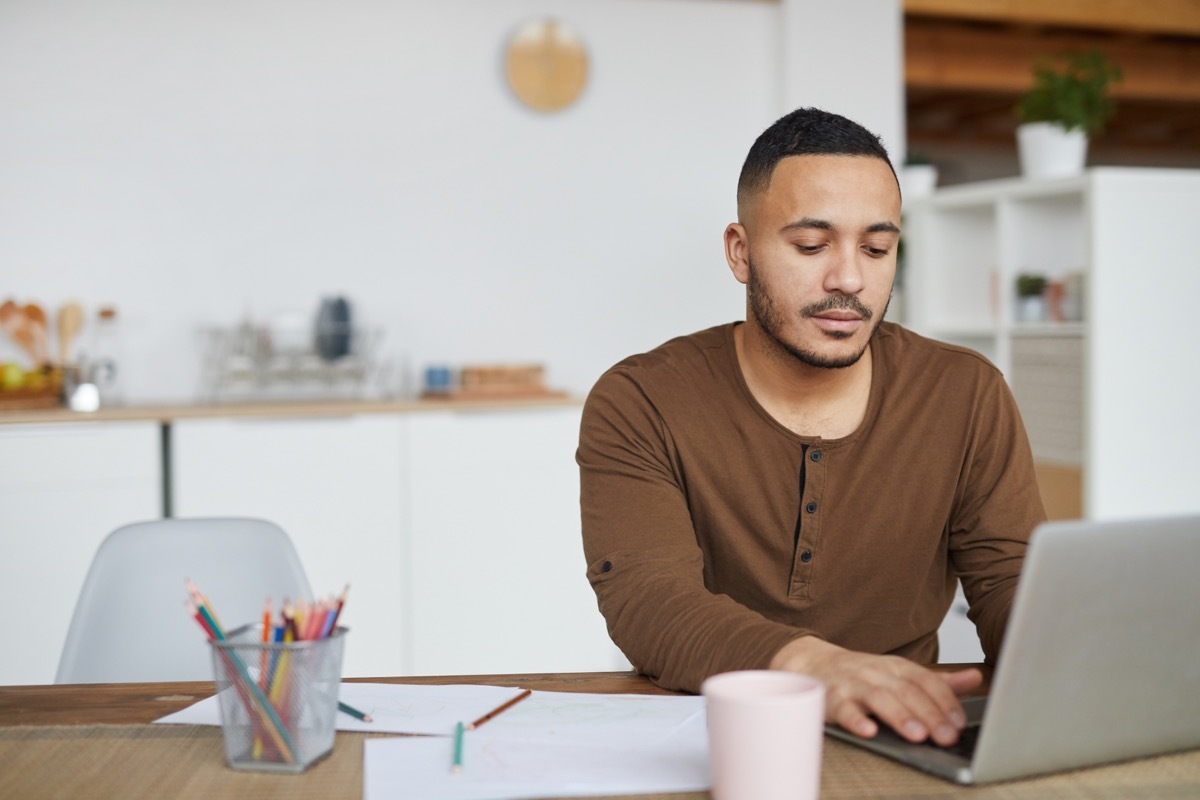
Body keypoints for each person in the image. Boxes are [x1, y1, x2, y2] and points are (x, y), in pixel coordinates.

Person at [577, 107, 1045, 748]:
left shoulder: (966, 393)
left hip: (906, 732)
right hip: (711, 727)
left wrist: (1067, 670)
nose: (850, 278)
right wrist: (817, 666)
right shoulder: (640, 400)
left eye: (877, 249)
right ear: (740, 253)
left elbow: (1007, 579)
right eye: (811, 246)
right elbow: (650, 599)